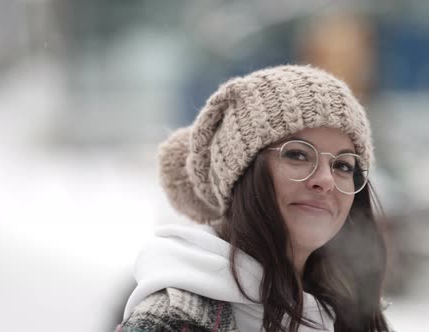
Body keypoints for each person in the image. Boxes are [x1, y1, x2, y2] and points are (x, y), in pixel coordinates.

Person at [117, 65, 393, 332]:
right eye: (297, 154)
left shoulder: (353, 317)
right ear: (242, 173)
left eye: (343, 165)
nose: (326, 179)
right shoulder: (169, 322)